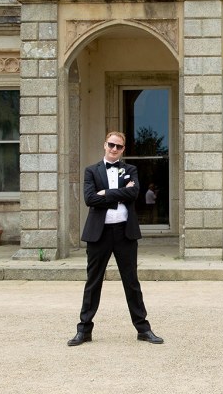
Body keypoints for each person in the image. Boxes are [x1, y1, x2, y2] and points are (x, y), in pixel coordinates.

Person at [67, 131, 163, 346]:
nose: (114, 149)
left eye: (118, 146)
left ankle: (143, 329)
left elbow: (134, 194)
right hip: (98, 234)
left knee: (131, 282)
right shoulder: (91, 170)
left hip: (124, 233)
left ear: (123, 149)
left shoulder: (131, 170)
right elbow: (89, 199)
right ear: (104, 145)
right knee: (93, 282)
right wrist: (119, 192)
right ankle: (84, 330)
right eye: (111, 145)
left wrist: (105, 194)